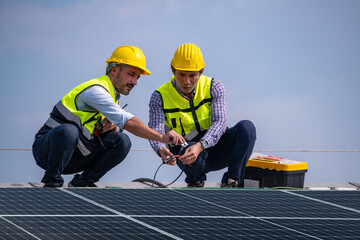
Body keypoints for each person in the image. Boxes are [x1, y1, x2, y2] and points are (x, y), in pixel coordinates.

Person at [33, 45, 185, 188]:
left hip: (75, 155)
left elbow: (112, 128)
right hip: (47, 152)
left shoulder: (113, 97)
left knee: (121, 141)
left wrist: (113, 129)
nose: (135, 82)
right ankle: (51, 182)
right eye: (131, 74)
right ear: (114, 70)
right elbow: (127, 120)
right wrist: (161, 138)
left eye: (138, 77)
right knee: (69, 131)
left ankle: (84, 182)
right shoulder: (96, 91)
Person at [148, 43, 256, 188]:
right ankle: (195, 181)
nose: (186, 82)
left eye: (192, 75)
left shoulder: (214, 87)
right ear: (173, 70)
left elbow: (220, 122)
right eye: (181, 74)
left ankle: (231, 182)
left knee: (247, 128)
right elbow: (155, 131)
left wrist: (201, 146)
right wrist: (161, 150)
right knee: (189, 149)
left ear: (201, 71)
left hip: (215, 148)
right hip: (186, 156)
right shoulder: (159, 97)